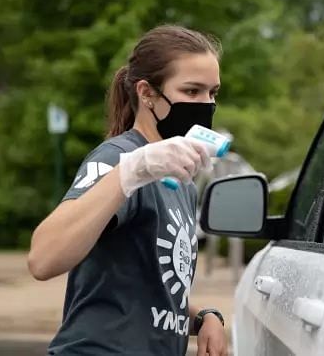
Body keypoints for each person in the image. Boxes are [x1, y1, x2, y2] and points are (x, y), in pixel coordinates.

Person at [28, 25, 228, 356]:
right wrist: (130, 172)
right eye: (192, 91)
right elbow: (43, 258)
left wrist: (206, 317)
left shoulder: (180, 178)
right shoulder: (120, 159)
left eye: (213, 93)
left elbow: (152, 294)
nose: (206, 104)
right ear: (147, 92)